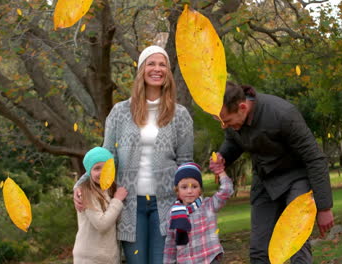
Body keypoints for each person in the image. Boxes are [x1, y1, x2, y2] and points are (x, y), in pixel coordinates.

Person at [74, 45, 194, 263]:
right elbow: (107, 156)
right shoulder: (120, 113)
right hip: (129, 205)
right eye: (151, 63)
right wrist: (79, 185)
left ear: (168, 72)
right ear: (141, 70)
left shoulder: (181, 115)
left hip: (166, 204)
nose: (157, 69)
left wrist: (190, 199)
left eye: (162, 64)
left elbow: (186, 162)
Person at [209, 82, 334, 263]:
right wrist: (223, 157)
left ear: (242, 107)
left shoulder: (282, 114)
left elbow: (315, 158)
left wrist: (324, 207)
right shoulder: (233, 121)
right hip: (265, 180)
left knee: (295, 243)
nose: (224, 126)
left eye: (226, 121)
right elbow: (234, 141)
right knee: (259, 250)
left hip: (296, 177)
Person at [163, 162, 233, 264]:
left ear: (200, 189)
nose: (189, 191)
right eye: (184, 187)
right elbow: (170, 245)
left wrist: (220, 172)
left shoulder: (209, 205)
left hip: (209, 259)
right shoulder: (173, 214)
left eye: (194, 186)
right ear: (177, 190)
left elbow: (227, 190)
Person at [72, 147, 128, 264]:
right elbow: (101, 224)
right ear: (89, 172)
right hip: (89, 258)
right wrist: (117, 200)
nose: (102, 172)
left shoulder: (109, 191)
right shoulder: (86, 193)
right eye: (97, 168)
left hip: (108, 258)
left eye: (106, 167)